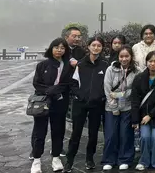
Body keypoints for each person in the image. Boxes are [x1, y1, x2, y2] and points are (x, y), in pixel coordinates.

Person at [30, 38, 75, 173]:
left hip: (60, 102)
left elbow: (69, 83)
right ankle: (37, 159)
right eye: (56, 47)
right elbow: (36, 84)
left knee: (58, 131)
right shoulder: (42, 65)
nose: (59, 50)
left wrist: (58, 90)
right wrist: (50, 91)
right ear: (51, 48)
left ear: (65, 50)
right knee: (40, 131)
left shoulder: (68, 65)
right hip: (43, 102)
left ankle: (56, 157)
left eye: (62, 48)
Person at [65, 36, 109, 172]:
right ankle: (69, 160)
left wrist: (100, 96)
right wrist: (80, 95)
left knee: (93, 133)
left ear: (102, 48)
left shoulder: (105, 65)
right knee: (76, 133)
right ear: (88, 47)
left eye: (99, 46)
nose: (96, 48)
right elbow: (73, 83)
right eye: (93, 45)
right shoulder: (80, 64)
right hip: (80, 103)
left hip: (97, 104)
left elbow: (107, 85)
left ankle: (90, 159)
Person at [101, 45, 138, 171]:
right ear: (118, 57)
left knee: (125, 134)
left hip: (127, 107)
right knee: (111, 135)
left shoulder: (136, 71)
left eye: (127, 56)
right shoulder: (111, 69)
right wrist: (113, 106)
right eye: (121, 56)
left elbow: (135, 90)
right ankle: (109, 159)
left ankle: (125, 159)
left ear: (131, 57)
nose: (124, 59)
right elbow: (107, 89)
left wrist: (120, 94)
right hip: (111, 108)